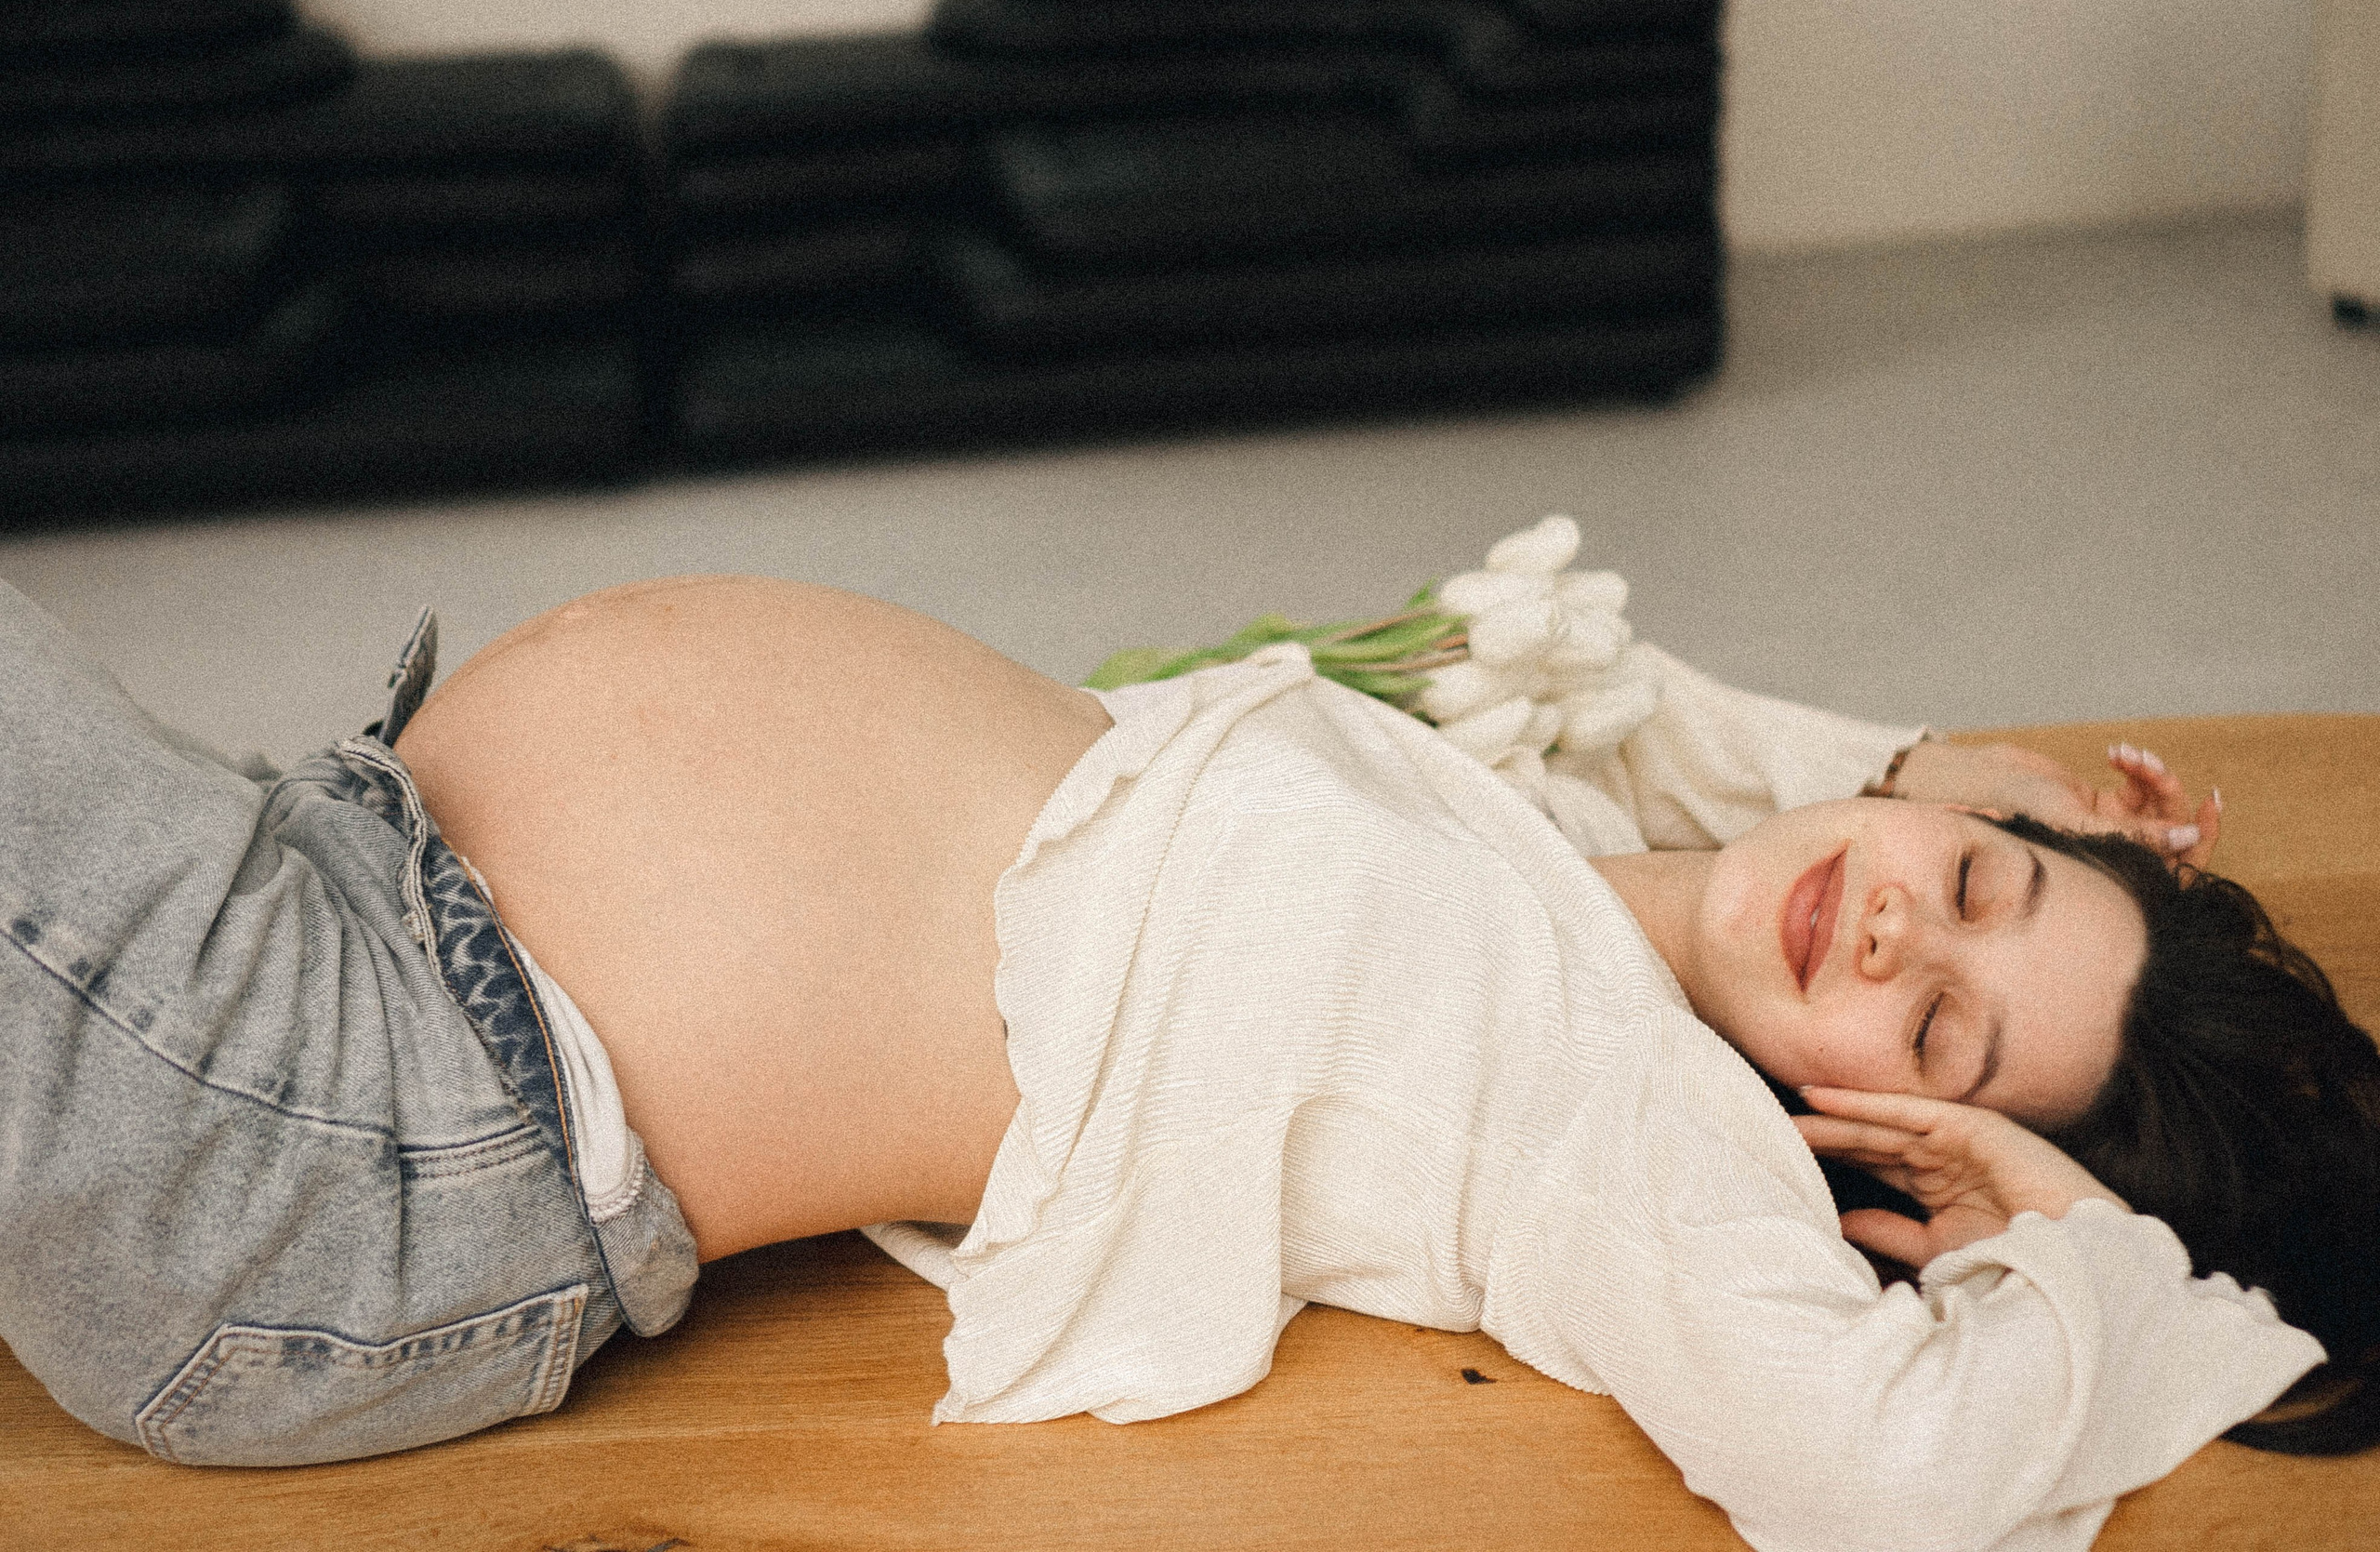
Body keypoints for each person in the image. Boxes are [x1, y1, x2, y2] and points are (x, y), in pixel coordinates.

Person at [0, 564, 2371, 1552]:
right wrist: (2014, 795)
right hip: (319, 869)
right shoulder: (1541, 820)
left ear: (1901, 1127)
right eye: (1960, 874)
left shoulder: (1603, 1108)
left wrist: (2068, 1252)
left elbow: (1874, 1471)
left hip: (368, 1136)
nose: (1886, 920)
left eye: (1933, 1025)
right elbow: (1644, 718)